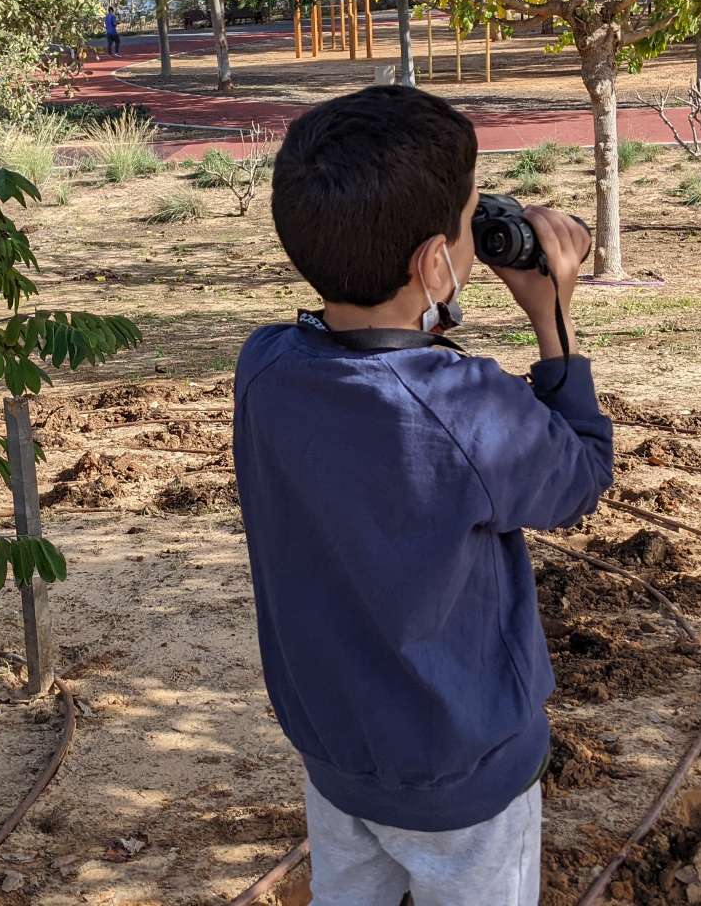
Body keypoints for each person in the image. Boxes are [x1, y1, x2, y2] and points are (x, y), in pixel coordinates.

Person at [233, 85, 614, 904]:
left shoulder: (263, 368)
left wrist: (427, 305)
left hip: (336, 751)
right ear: (434, 263)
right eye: (470, 219)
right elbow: (580, 475)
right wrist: (554, 320)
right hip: (464, 776)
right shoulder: (470, 407)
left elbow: (375, 360)